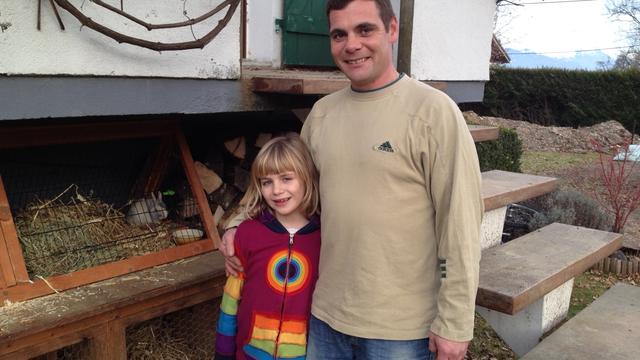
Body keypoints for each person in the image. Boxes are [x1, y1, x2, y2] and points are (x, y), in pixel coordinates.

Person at [221, 0, 483, 359]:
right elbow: (283, 185)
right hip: (326, 319)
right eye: (339, 34)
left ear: (391, 30)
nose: (351, 45)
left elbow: (461, 223)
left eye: (365, 30)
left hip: (401, 331)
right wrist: (235, 224)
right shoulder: (323, 115)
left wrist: (455, 323)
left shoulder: (433, 113)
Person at [214, 134, 321, 360]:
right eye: (267, 182)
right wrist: (223, 353)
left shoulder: (324, 239)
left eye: (286, 179)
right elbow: (231, 299)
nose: (276, 190)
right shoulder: (247, 234)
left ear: (307, 178)